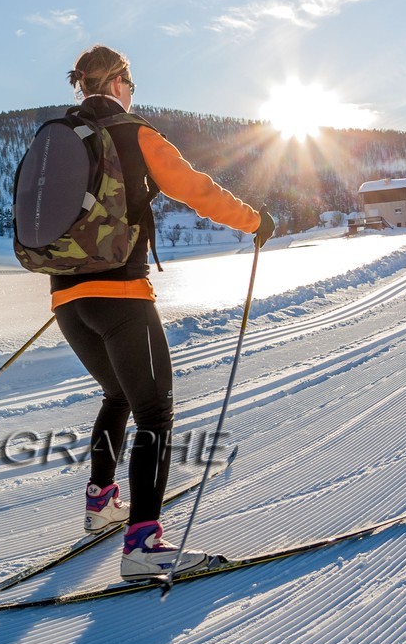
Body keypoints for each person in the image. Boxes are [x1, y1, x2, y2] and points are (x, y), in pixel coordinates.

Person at [54, 45, 275, 579]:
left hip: (67, 299)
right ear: (121, 81)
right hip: (123, 298)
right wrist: (254, 222)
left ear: (81, 86)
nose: (134, 92)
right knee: (154, 413)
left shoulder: (61, 137)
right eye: (132, 83)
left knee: (116, 395)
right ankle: (143, 546)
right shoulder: (134, 132)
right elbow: (196, 188)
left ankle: (101, 502)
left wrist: (81, 282)